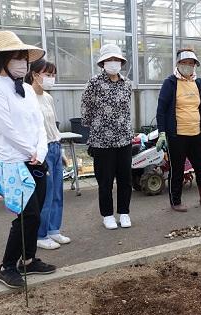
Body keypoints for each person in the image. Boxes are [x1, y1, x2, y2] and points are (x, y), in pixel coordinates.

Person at [0, 31, 56, 288]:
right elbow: (6, 128)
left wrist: (40, 152)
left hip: (36, 159)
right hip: (15, 161)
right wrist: (30, 152)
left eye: (25, 58)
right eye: (16, 58)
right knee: (26, 215)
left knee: (36, 215)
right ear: (2, 60)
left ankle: (30, 258)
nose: (23, 63)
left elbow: (40, 126)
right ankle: (7, 265)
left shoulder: (26, 88)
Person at [156, 48, 201, 212]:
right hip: (177, 135)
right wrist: (162, 132)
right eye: (185, 63)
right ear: (178, 64)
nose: (188, 66)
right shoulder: (170, 83)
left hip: (196, 133)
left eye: (191, 63)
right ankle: (175, 201)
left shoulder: (197, 83)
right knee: (177, 169)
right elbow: (161, 109)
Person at [81, 44, 133, 229]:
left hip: (124, 139)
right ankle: (107, 215)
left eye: (116, 60)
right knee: (105, 180)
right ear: (103, 63)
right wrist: (92, 128)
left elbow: (126, 110)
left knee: (126, 179)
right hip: (101, 141)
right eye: (109, 60)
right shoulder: (94, 83)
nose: (113, 63)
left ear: (121, 62)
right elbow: (86, 108)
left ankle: (124, 212)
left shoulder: (127, 84)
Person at [25, 59, 71, 250]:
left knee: (58, 192)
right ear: (35, 75)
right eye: (48, 74)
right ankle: (40, 234)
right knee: (45, 193)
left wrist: (60, 150)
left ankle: (53, 229)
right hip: (39, 150)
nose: (51, 79)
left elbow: (53, 126)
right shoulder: (27, 97)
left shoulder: (48, 98)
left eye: (53, 75)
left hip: (54, 146)